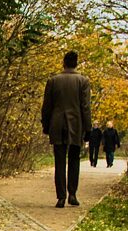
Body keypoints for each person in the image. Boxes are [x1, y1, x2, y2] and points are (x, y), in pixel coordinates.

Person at [41, 51, 91, 208]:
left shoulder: (53, 81)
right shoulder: (83, 81)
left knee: (59, 160)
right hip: (76, 124)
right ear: (76, 63)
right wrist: (87, 128)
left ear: (64, 62)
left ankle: (61, 197)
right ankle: (73, 194)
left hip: (57, 123)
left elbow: (46, 106)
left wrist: (46, 125)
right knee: (74, 159)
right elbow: (85, 107)